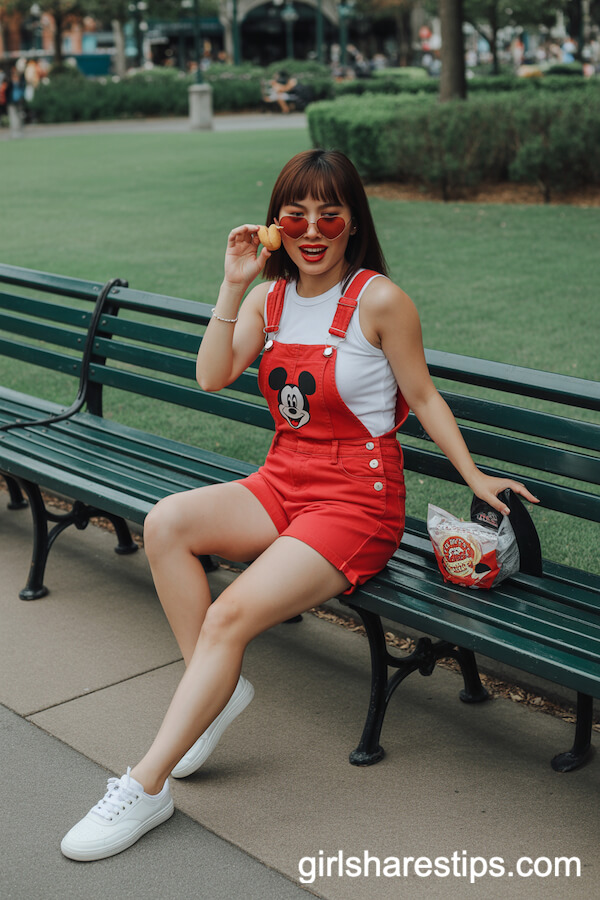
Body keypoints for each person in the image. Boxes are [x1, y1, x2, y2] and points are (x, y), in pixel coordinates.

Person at [60, 149, 539, 861]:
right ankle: (213, 694)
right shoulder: (269, 299)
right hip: (285, 477)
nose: (313, 230)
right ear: (277, 224)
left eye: (329, 214)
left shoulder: (379, 300)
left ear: (353, 222)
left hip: (358, 500)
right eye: (296, 215)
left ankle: (146, 784)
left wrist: (473, 477)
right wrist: (232, 285)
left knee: (229, 615)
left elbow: (425, 396)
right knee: (165, 524)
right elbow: (213, 374)